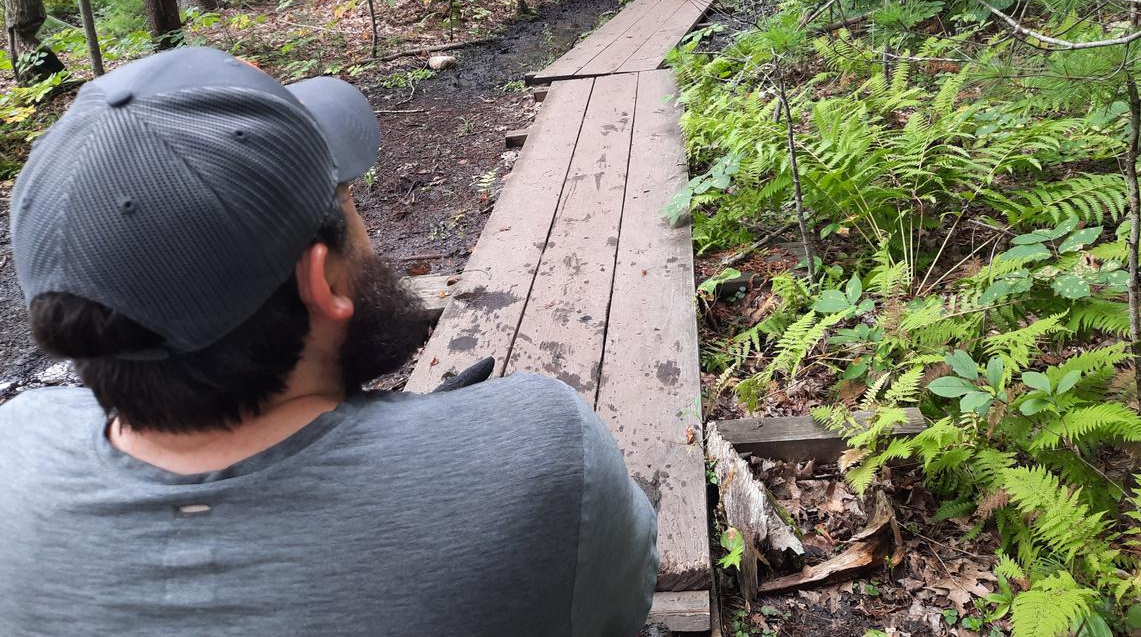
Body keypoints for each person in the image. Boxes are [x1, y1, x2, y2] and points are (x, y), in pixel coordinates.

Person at [0, 46, 658, 636]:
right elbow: (624, 600)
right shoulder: (540, 460)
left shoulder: (17, 453)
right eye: (347, 201)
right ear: (320, 282)